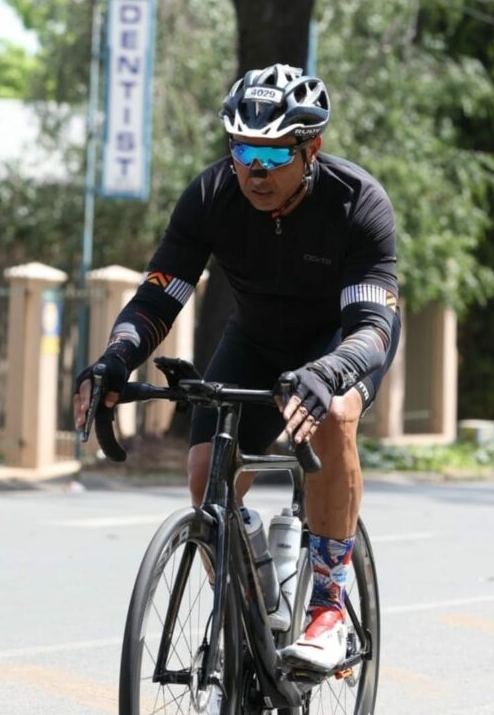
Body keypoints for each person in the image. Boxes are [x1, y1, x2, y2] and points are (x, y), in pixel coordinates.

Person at [74, 63, 401, 673]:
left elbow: (371, 330)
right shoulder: (211, 196)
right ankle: (254, 608)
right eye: (243, 148)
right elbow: (159, 294)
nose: (256, 168)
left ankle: (328, 609)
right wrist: (116, 357)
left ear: (312, 148)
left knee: (332, 415)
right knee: (206, 476)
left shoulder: (358, 203)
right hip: (256, 337)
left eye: (275, 153)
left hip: (339, 341)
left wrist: (329, 372)